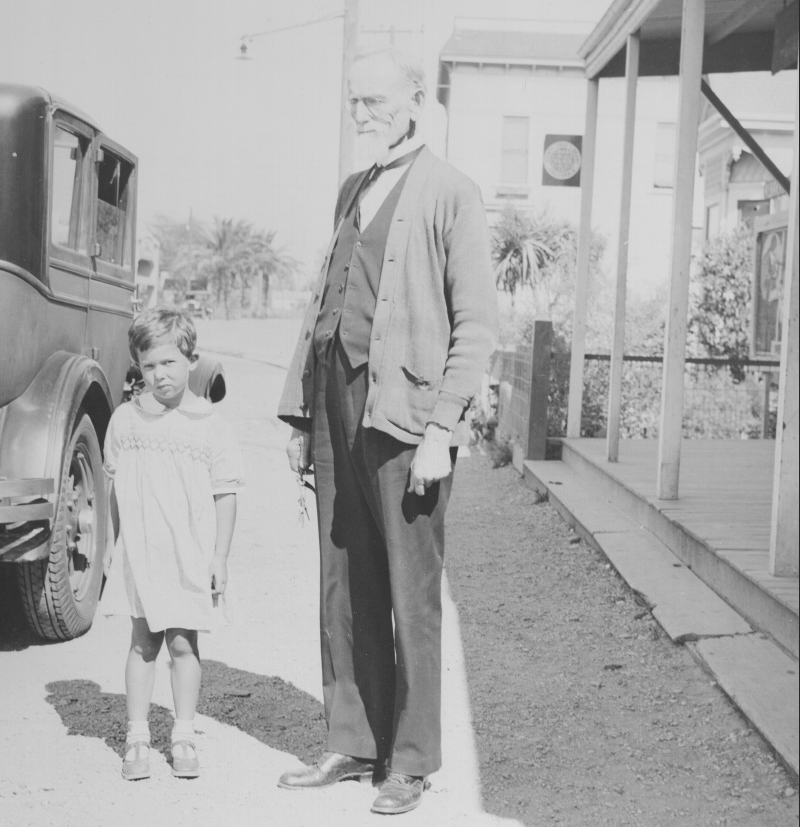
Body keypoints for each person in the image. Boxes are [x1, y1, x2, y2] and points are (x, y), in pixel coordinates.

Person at [277, 47, 498, 815]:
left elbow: (475, 326)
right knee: (344, 583)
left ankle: (410, 758)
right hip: (339, 410)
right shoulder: (353, 189)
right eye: (353, 101)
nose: (360, 113)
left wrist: (443, 428)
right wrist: (304, 413)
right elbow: (323, 302)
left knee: (413, 592)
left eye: (373, 100)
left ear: (414, 99)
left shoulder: (451, 193)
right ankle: (352, 737)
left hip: (407, 419)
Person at [103, 306, 243, 781]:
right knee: (143, 643)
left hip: (189, 553)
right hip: (144, 552)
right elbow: (116, 490)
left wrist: (219, 556)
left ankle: (183, 733)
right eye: (148, 365)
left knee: (183, 643)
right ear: (137, 367)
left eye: (168, 363)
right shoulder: (126, 421)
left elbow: (226, 492)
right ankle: (137, 736)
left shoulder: (211, 425)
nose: (159, 375)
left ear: (190, 359)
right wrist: (111, 547)